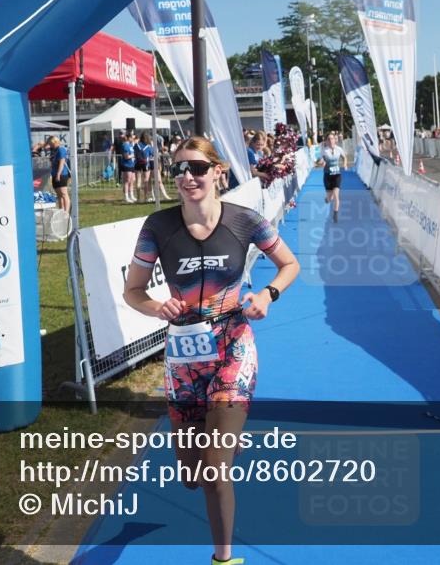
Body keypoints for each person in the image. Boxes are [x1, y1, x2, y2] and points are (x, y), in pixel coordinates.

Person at [124, 137, 299, 565]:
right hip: (183, 358)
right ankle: (226, 435)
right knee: (190, 474)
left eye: (197, 168)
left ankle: (224, 559)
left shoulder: (245, 221)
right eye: (178, 169)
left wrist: (268, 296)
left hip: (232, 346)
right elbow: (132, 291)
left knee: (213, 471)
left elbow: (289, 264)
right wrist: (154, 305)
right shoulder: (157, 227)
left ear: (218, 171)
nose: (187, 177)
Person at [318, 132, 348, 223]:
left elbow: (344, 157)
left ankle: (335, 214)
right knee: (330, 198)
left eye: (332, 139)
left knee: (336, 196)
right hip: (327, 176)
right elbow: (321, 161)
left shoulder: (339, 149)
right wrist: (321, 163)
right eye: (329, 139)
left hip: (337, 175)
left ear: (335, 140)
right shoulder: (324, 150)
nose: (331, 140)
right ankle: (327, 199)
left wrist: (345, 164)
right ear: (326, 141)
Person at [49, 136, 71, 213]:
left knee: (64, 193)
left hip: (62, 174)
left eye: (51, 143)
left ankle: (66, 212)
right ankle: (61, 211)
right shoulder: (53, 151)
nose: (50, 145)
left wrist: (58, 174)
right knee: (59, 195)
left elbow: (62, 162)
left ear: (55, 142)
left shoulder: (61, 149)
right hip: (54, 174)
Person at [120, 131, 137, 203]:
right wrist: (133, 156)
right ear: (128, 138)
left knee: (132, 180)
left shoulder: (130, 145)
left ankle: (131, 195)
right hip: (127, 165)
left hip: (132, 165)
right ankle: (126, 196)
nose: (132, 138)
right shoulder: (125, 145)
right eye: (131, 137)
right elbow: (126, 156)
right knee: (127, 181)